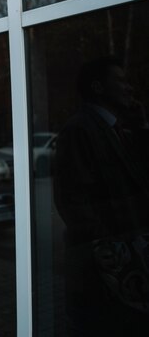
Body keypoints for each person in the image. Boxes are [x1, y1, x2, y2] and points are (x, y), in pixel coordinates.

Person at [54, 56, 149, 336]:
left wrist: (142, 127)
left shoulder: (118, 128)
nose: (129, 88)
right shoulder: (80, 129)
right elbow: (74, 202)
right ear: (98, 87)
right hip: (106, 266)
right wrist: (111, 253)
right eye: (120, 81)